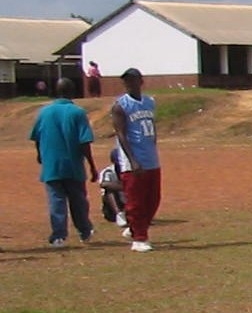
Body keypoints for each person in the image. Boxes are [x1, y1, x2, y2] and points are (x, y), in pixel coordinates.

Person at [29, 78, 96, 247]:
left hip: (51, 165)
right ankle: (84, 231)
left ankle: (58, 235)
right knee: (78, 201)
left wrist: (40, 155)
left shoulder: (44, 112)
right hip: (72, 165)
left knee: (56, 201)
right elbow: (84, 142)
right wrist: (92, 165)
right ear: (73, 92)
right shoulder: (77, 112)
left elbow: (37, 137)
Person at [108, 68, 162, 252]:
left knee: (153, 200)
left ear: (141, 81)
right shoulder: (120, 106)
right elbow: (121, 134)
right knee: (136, 201)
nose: (129, 84)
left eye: (132, 80)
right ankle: (139, 238)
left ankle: (134, 229)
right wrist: (132, 160)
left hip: (151, 157)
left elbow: (151, 127)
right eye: (126, 81)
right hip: (133, 161)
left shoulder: (149, 102)